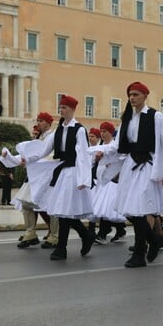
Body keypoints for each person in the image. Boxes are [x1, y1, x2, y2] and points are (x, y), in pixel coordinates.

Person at [22, 95, 95, 260]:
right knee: (63, 212)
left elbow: (83, 155)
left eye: (64, 107)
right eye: (60, 107)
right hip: (62, 172)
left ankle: (63, 247)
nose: (61, 110)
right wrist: (28, 159)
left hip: (73, 172)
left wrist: (84, 179)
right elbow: (44, 150)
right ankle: (83, 237)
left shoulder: (79, 129)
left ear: (72, 109)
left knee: (65, 212)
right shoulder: (58, 130)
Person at [113, 82, 163, 268]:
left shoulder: (156, 117)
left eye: (136, 94)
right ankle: (154, 239)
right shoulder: (128, 118)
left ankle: (140, 253)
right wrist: (100, 154)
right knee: (130, 212)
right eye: (130, 95)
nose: (132, 98)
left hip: (148, 167)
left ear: (145, 95)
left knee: (140, 209)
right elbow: (118, 144)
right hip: (131, 166)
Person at [8, 112, 59, 249]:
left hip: (47, 176)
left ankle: (55, 235)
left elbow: (53, 156)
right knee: (26, 203)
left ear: (48, 123)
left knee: (50, 206)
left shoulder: (53, 136)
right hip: (35, 176)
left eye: (41, 120)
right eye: (38, 120)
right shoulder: (39, 137)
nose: (39, 123)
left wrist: (34, 162)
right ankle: (30, 232)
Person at [88, 121, 127, 244]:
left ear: (111, 133)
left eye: (105, 131)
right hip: (101, 180)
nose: (103, 134)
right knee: (105, 208)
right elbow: (93, 163)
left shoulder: (115, 146)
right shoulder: (100, 146)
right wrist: (97, 159)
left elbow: (121, 158)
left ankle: (102, 234)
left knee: (106, 207)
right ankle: (120, 231)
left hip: (112, 181)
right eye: (101, 131)